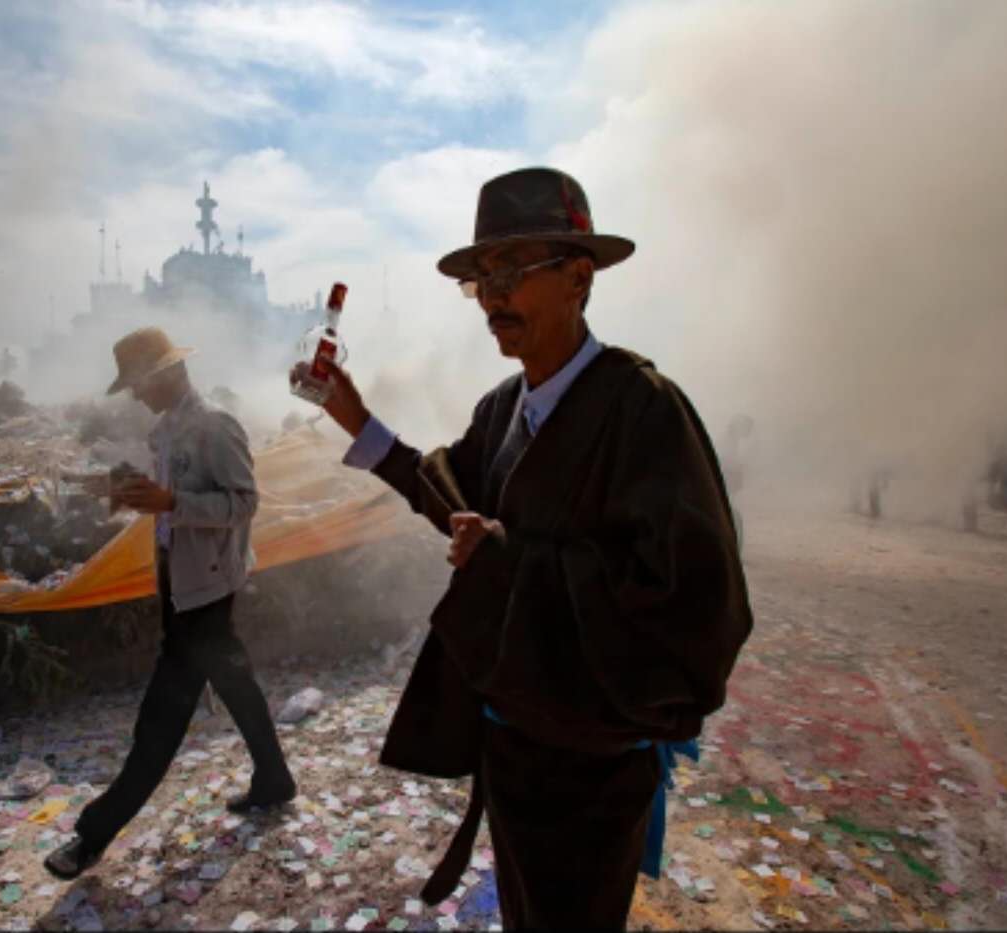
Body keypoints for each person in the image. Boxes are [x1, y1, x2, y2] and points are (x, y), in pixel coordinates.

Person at [294, 167, 753, 929]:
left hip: (593, 763)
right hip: (509, 744)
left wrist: (507, 558)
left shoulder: (641, 409)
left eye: (510, 271)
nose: (491, 298)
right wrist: (351, 413)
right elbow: (449, 498)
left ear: (578, 277)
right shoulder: (504, 407)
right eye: (480, 279)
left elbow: (694, 602)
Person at [45, 326, 297, 880]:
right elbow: (166, 502)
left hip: (206, 590)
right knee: (235, 682)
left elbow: (244, 503)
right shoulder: (163, 432)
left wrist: (169, 501)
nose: (136, 395)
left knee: (161, 718)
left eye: (139, 383)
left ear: (167, 373)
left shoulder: (216, 426)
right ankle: (274, 778)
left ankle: (94, 833)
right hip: (180, 582)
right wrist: (118, 491)